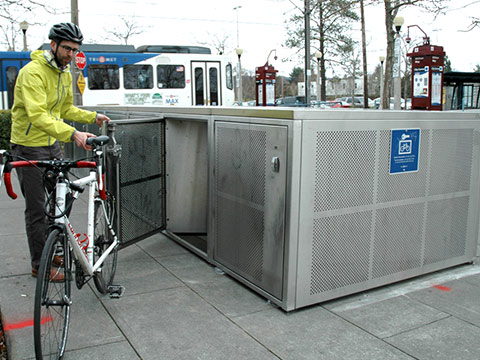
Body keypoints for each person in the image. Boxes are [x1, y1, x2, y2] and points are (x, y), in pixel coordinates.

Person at [9, 22, 111, 281]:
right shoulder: (33, 73)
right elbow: (38, 114)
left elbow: (65, 110)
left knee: (60, 199)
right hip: (28, 145)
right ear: (52, 45)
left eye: (75, 50)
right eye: (67, 48)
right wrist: (73, 134)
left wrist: (92, 116)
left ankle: (51, 249)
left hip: (51, 143)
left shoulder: (65, 73)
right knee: (36, 208)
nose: (71, 54)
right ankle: (39, 266)